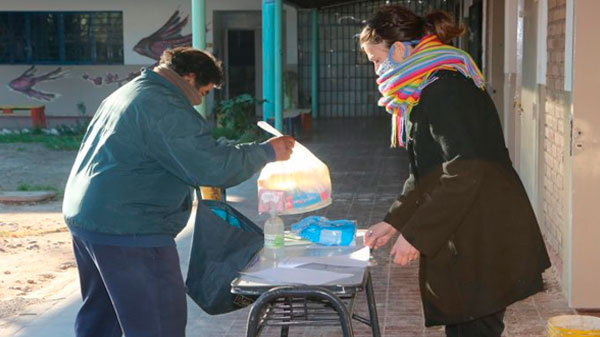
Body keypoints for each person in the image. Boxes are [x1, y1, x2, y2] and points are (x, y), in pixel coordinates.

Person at [62, 47, 294, 337]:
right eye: (204, 92)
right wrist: (267, 152)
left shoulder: (133, 91)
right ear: (190, 77)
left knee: (101, 319)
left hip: (90, 221)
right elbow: (211, 168)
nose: (199, 100)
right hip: (131, 229)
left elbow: (184, 148)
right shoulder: (164, 105)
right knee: (158, 323)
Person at [360, 6, 550, 337]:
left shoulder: (445, 89)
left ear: (401, 50)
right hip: (468, 230)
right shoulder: (428, 88)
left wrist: (417, 234)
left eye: (377, 60)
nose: (377, 71)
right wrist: (394, 221)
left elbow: (465, 168)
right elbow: (429, 173)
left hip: (483, 236)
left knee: (475, 326)